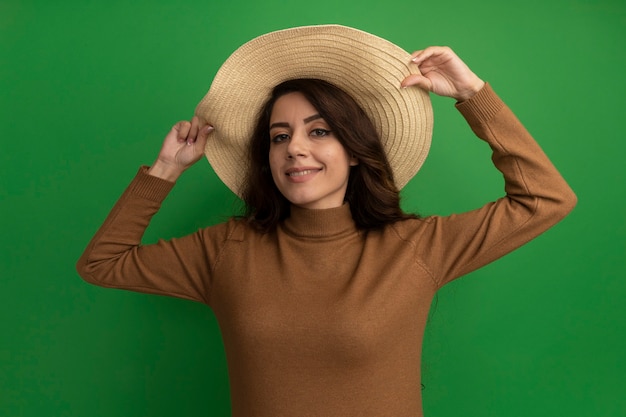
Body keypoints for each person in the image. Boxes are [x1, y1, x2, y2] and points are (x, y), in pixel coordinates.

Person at [77, 25, 576, 417]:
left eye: (319, 131)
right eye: (278, 136)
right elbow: (102, 263)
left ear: (355, 151)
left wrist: (472, 93)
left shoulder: (416, 247)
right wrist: (165, 171)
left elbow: (546, 198)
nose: (295, 147)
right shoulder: (226, 249)